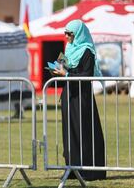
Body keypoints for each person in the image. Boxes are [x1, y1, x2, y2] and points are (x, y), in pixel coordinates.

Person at [52, 19, 106, 181]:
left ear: (78, 34)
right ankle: (72, 168)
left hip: (82, 97)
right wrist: (54, 70)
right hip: (69, 95)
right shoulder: (68, 49)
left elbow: (86, 74)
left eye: (70, 33)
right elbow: (59, 67)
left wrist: (66, 74)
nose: (67, 36)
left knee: (84, 131)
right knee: (70, 133)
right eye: (65, 33)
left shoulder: (87, 51)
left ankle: (88, 171)